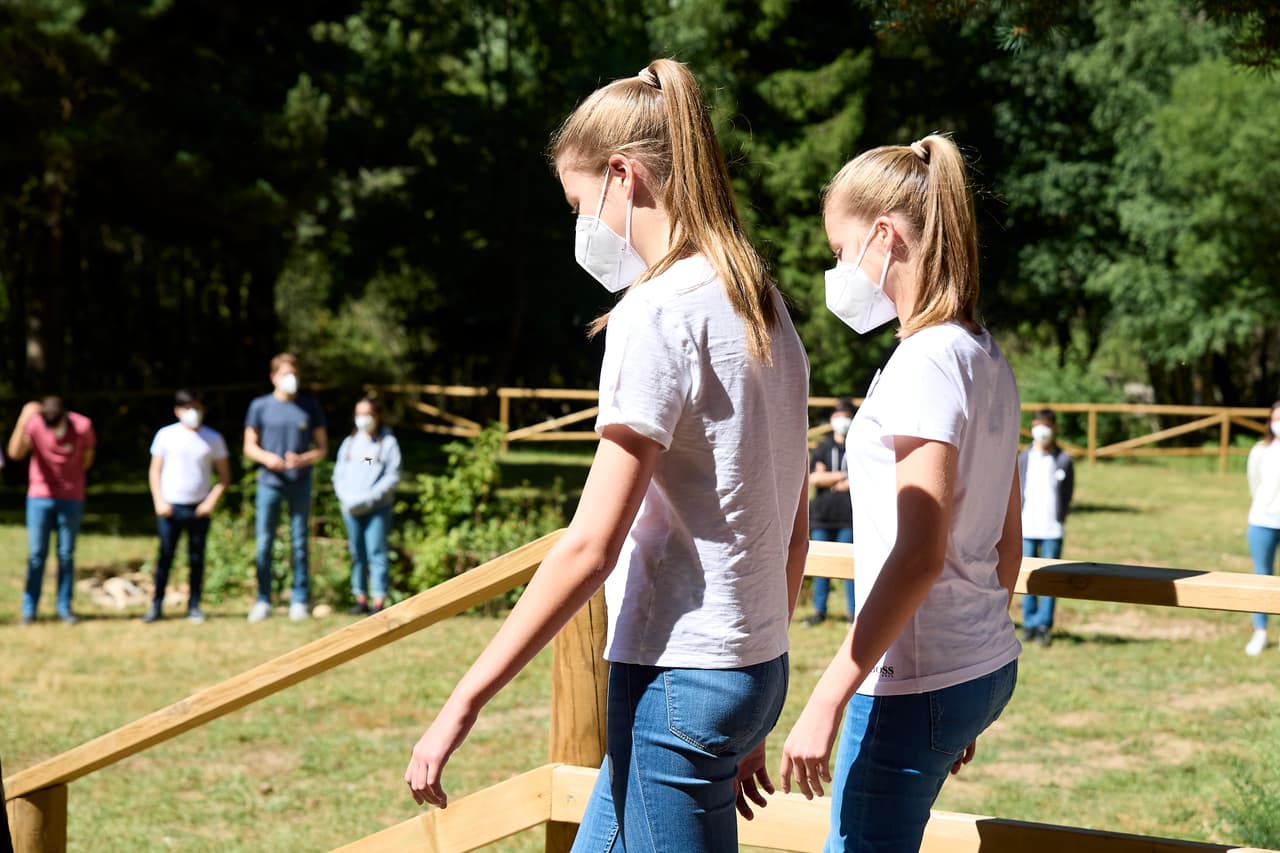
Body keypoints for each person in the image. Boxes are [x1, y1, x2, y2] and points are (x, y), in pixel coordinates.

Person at [404, 59, 811, 852]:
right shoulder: (762, 301)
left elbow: (590, 545)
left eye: (578, 203)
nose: (581, 227)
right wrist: (753, 692)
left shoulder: (655, 312)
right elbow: (789, 526)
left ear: (623, 175)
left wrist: (463, 702)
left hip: (677, 678)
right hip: (749, 666)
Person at [779, 134, 1023, 852]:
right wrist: (964, 682)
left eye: (840, 249)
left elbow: (919, 553)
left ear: (884, 235)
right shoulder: (985, 353)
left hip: (914, 677)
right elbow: (1006, 538)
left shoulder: (925, 361)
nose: (837, 271)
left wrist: (828, 696)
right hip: (977, 662)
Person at [243, 353, 328, 622]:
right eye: (285, 374)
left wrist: (303, 459)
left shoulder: (309, 407)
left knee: (300, 542)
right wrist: (268, 458)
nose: (290, 379)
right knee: (264, 543)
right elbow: (249, 446)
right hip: (269, 483)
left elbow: (322, 449)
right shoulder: (260, 406)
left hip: (300, 482)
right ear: (273, 377)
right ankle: (263, 599)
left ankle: (299, 599)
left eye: (294, 374)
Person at [144, 390, 232, 623]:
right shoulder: (165, 435)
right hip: (170, 508)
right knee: (165, 557)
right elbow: (155, 471)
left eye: (196, 407)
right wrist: (159, 501)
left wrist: (209, 502)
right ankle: (156, 605)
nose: (192, 412)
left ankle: (194, 606)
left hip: (199, 509)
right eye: (187, 407)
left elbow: (224, 477)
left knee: (196, 559)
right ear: (177, 411)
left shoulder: (213, 438)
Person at [8, 396, 97, 625]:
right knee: (36, 555)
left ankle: (64, 608)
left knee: (66, 555)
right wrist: (22, 420)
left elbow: (87, 459)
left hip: (71, 497)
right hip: (39, 497)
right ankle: (29, 609)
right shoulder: (35, 423)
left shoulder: (82, 426)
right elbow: (15, 453)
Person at [333, 396, 401, 615]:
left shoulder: (388, 443)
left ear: (377, 415)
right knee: (357, 553)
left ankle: (378, 600)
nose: (362, 419)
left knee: (376, 552)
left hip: (376, 508)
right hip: (351, 509)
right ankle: (360, 598)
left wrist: (370, 498)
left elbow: (392, 476)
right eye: (359, 414)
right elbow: (339, 474)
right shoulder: (350, 443)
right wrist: (346, 498)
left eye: (367, 414)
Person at [1018, 408, 1074, 646]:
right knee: (1026, 577)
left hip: (1051, 528)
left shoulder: (1063, 459)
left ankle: (1044, 624)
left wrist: (1060, 517)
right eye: (1038, 425)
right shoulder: (1023, 457)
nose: (1042, 431)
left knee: (1050, 579)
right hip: (1026, 527)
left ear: (1054, 428)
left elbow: (1067, 493)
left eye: (1047, 426)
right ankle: (1028, 622)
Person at [806, 398, 856, 626]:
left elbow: (862, 478)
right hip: (822, 517)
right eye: (838, 416)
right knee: (820, 567)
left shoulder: (857, 446)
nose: (841, 420)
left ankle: (854, 613)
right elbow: (816, 478)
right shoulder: (823, 447)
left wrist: (830, 478)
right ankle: (819, 611)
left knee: (851, 568)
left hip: (849, 517)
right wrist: (843, 477)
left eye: (846, 416)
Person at [1244, 400, 1280, 656]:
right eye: (1276, 418)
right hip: (1263, 522)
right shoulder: (1260, 451)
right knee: (1261, 576)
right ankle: (1260, 631)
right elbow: (1254, 484)